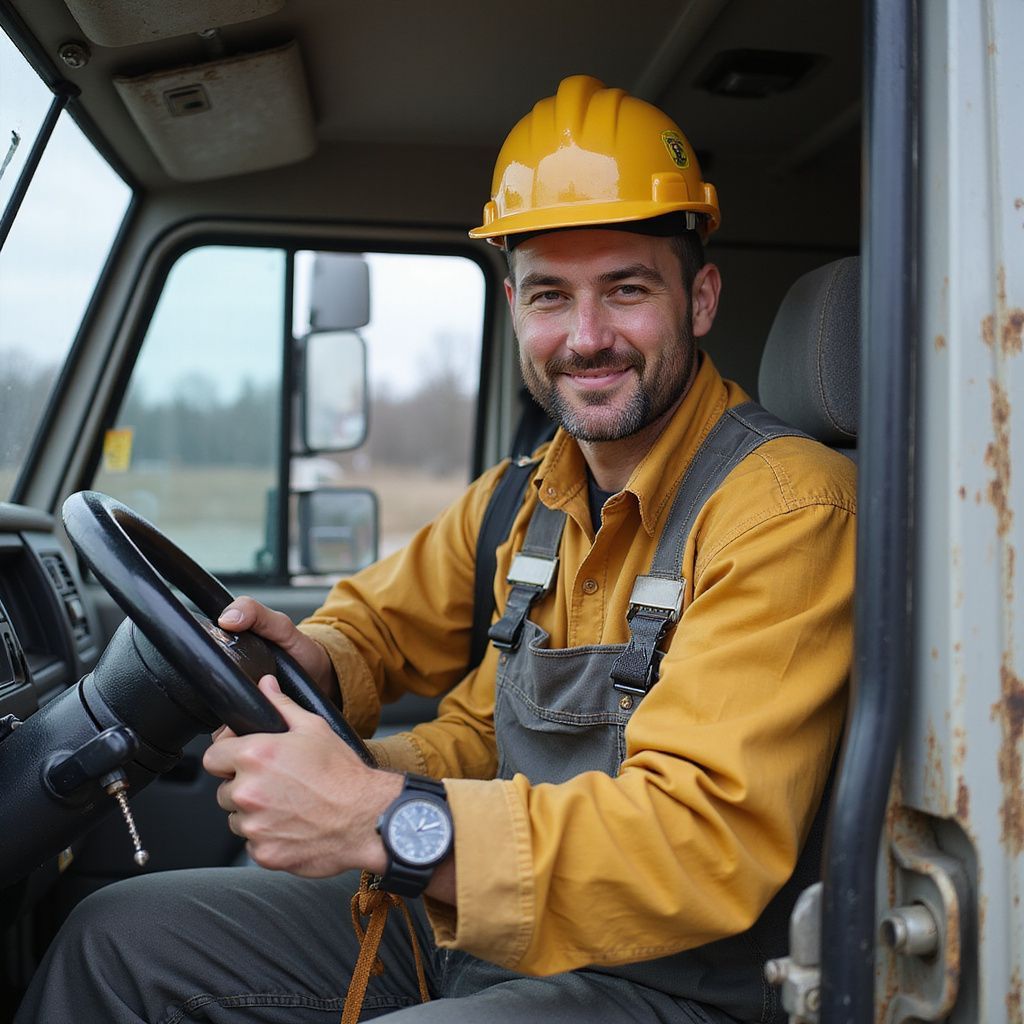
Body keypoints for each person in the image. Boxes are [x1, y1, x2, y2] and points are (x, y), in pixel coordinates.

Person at [17, 75, 855, 1023]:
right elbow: (422, 671)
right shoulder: (528, 494)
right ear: (513, 307)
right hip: (490, 928)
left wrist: (377, 815)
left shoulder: (787, 513)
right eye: (550, 295)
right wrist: (322, 666)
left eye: (626, 289)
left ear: (699, 299)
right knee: (117, 936)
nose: (585, 338)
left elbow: (701, 843)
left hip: (665, 978)